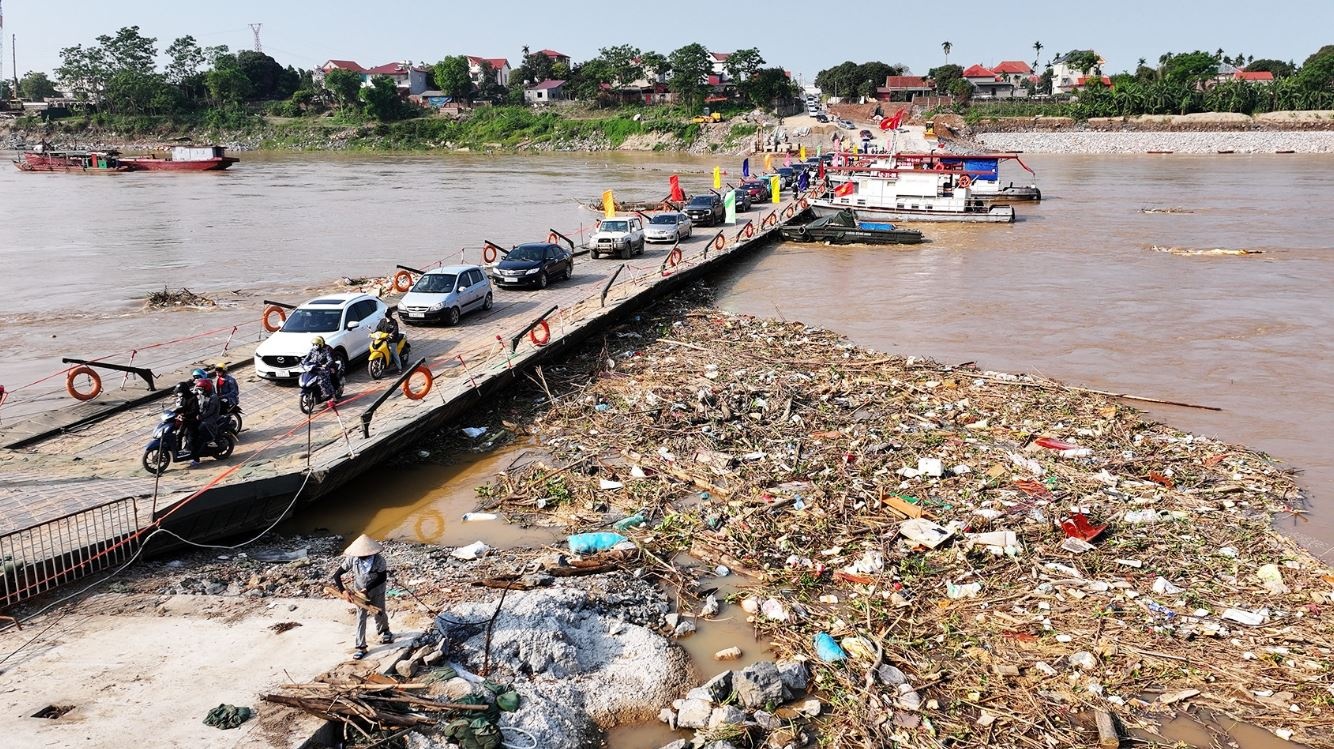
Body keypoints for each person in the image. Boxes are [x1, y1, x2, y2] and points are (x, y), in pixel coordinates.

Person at [331, 534, 393, 659]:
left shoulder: (379, 560)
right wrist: (343, 591)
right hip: (359, 594)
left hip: (377, 590)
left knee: (379, 611)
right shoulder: (352, 559)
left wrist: (367, 589)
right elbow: (337, 575)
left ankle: (384, 631)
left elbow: (382, 577)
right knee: (361, 618)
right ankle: (361, 646)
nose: (363, 557)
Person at [303, 336, 337, 403]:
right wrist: (303, 363)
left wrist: (326, 365)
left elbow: (330, 360)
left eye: (317, 344)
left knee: (323, 380)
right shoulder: (312, 350)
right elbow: (307, 358)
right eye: (314, 344)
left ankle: (333, 397)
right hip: (313, 368)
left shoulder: (326, 350)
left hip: (323, 369)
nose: (315, 346)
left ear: (320, 344)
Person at [375, 308, 402, 373]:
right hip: (383, 339)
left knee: (394, 352)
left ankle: (399, 368)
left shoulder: (394, 322)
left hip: (391, 340)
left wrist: (391, 334)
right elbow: (378, 329)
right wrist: (374, 333)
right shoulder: (382, 321)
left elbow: (395, 330)